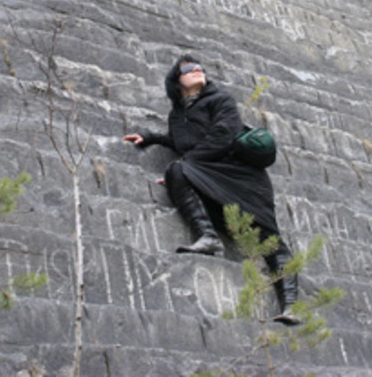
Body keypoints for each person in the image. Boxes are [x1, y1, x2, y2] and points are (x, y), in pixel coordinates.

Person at [124, 54, 299, 325]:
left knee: (268, 238)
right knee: (175, 172)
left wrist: (187, 164)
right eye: (188, 69)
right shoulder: (177, 115)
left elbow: (222, 135)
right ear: (177, 81)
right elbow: (183, 140)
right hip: (208, 170)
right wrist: (150, 137)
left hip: (241, 175)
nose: (197, 70)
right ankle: (207, 237)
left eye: (199, 68)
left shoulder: (221, 100)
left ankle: (290, 307)